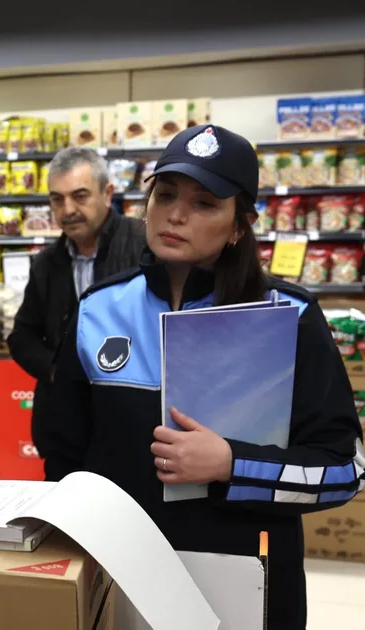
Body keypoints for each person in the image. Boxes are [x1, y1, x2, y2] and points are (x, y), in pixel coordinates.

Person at [42, 124, 365, 629]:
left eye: (205, 202)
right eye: (165, 195)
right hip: (121, 581)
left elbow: (343, 472)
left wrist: (233, 464)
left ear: (240, 224)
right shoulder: (97, 310)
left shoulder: (290, 316)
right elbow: (62, 458)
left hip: (248, 582)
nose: (175, 214)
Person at [6, 147, 145, 469]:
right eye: (57, 199)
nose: (68, 209)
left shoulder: (144, 247)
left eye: (80, 196)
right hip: (65, 432)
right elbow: (22, 335)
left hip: (131, 428)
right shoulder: (46, 263)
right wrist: (59, 370)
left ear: (107, 193)